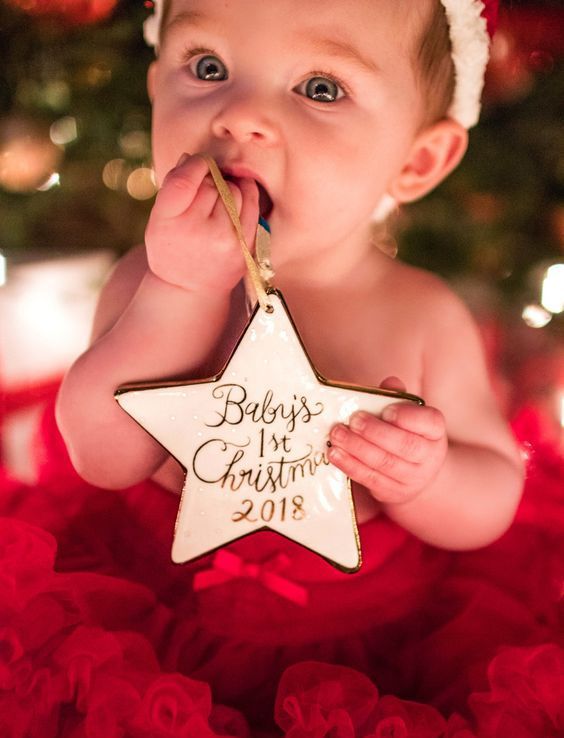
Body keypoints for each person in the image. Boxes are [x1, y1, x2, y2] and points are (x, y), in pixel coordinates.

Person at [20, 0, 546, 734]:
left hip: (369, 645)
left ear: (416, 160)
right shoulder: (148, 278)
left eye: (321, 87)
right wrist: (178, 291)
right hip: (155, 620)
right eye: (207, 67)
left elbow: (492, 494)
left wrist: (427, 478)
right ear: (153, 88)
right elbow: (102, 457)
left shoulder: (421, 313)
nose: (240, 116)